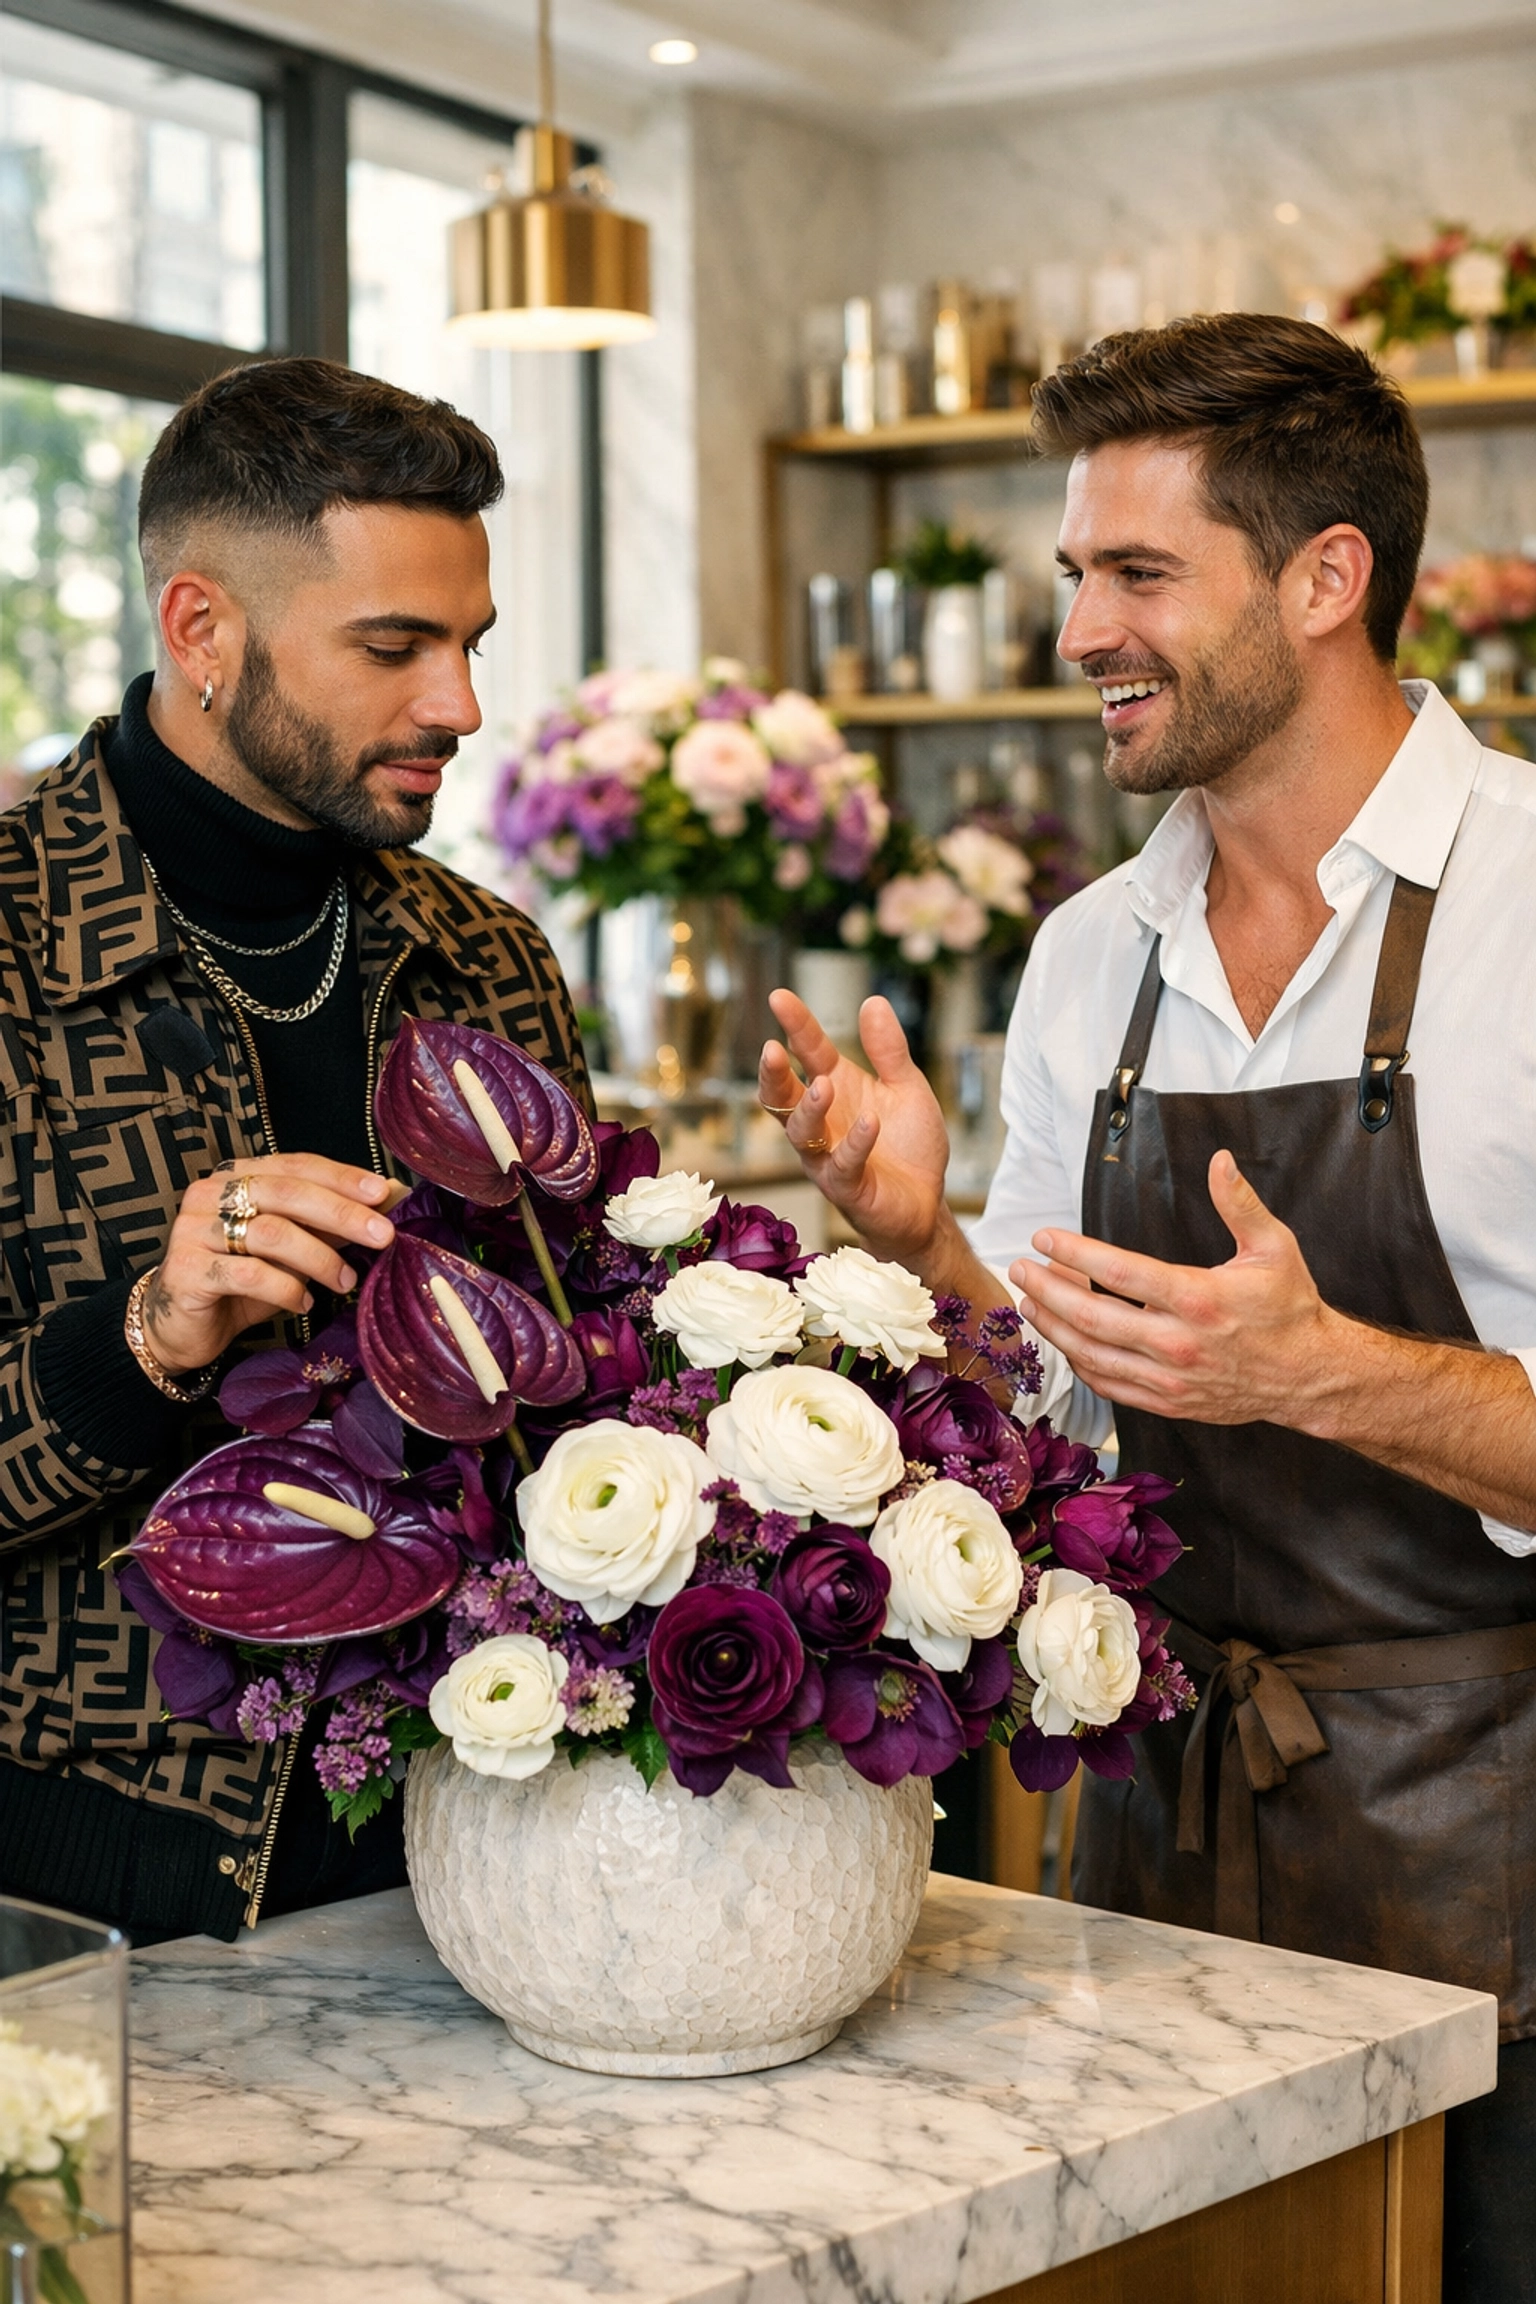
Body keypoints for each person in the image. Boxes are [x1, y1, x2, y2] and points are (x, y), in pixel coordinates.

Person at [760, 313, 1536, 2302]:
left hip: (1505, 1870)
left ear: (1324, 578)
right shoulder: (1084, 960)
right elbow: (1062, 1431)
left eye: (1135, 573)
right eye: (1069, 573)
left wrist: (1333, 1375)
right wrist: (929, 1248)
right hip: (1165, 1854)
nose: (1076, 626)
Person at [0, 357, 588, 1944]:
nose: (459, 706)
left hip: (473, 1852)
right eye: (393, 647)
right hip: (78, 1882)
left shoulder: (491, 961)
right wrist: (152, 1331)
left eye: (467, 645)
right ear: (203, 630)